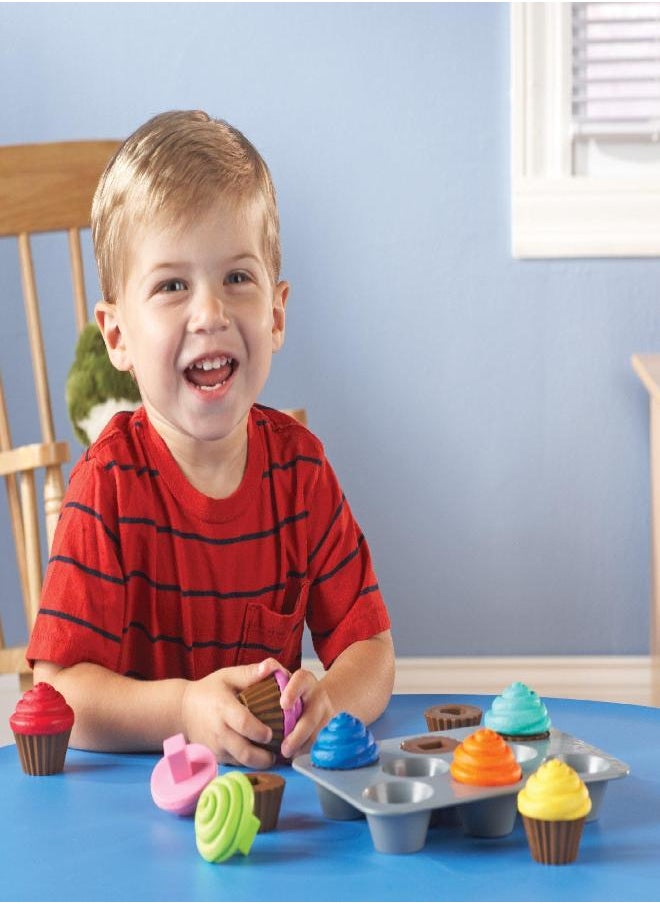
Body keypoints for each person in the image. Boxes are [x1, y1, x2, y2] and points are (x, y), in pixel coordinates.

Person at [27, 110, 394, 768]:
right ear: (118, 337)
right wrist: (184, 711)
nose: (210, 314)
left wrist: (331, 702)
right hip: (140, 806)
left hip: (274, 811)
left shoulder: (302, 472)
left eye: (237, 278)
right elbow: (60, 692)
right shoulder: (106, 487)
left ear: (276, 313)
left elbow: (371, 652)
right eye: (172, 286)